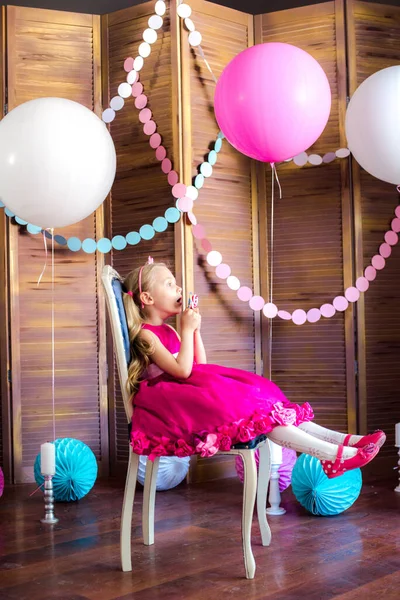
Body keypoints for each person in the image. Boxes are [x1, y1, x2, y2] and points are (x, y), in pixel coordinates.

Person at [122, 258, 385, 479]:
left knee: (264, 403)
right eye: (169, 284)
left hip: (191, 394)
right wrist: (187, 328)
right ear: (147, 297)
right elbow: (182, 372)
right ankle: (333, 455)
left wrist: (195, 331)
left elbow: (199, 367)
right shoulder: (146, 336)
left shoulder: (168, 330)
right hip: (175, 406)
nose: (177, 287)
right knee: (254, 412)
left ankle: (345, 442)